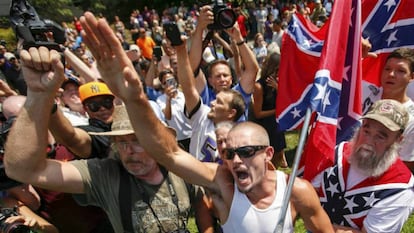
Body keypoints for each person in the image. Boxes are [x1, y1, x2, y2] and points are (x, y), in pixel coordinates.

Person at [67, 12, 334, 233]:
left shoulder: (296, 191)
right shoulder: (222, 181)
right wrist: (134, 98)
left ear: (268, 154)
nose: (235, 161)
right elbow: (169, 153)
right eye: (229, 153)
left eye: (245, 152)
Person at [3, 48, 199, 232]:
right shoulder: (104, 174)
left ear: (156, 142)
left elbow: (210, 199)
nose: (129, 150)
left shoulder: (179, 167)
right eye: (121, 142)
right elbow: (22, 169)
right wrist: (38, 96)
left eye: (137, 141)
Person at [312, 99, 414, 232]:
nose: (368, 142)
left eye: (380, 136)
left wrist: (313, 221)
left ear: (398, 140)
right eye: (366, 131)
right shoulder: (338, 153)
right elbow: (309, 190)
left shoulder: (399, 188)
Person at [362, 48, 414, 173]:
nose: (391, 74)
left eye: (400, 71)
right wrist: (354, 54)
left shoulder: (411, 119)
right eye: (387, 69)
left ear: (411, 77)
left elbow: (404, 168)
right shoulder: (362, 91)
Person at [50, 81, 115, 159]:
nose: (102, 108)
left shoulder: (126, 122)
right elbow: (70, 138)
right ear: (85, 108)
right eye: (94, 106)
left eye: (107, 103)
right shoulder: (90, 133)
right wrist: (49, 103)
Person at [251, 52, 288, 168]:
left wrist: (278, 88)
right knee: (268, 161)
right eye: (277, 70)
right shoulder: (259, 87)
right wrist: (276, 111)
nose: (278, 73)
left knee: (277, 156)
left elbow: (287, 101)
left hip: (276, 124)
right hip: (266, 126)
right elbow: (258, 113)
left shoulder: (278, 82)